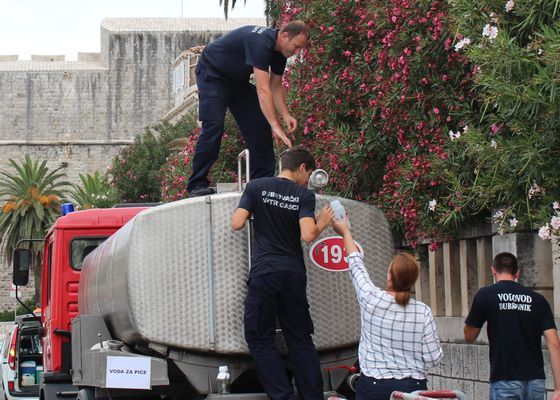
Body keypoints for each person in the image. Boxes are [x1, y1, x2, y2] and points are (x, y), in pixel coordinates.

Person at [231, 146, 334, 400]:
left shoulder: (255, 187)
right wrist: (322, 221)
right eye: (308, 174)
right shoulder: (303, 196)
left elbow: (237, 223)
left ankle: (283, 395)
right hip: (293, 274)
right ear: (301, 168)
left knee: (259, 337)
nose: (308, 180)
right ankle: (312, 396)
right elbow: (308, 235)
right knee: (299, 338)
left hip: (264, 273)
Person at [187, 21, 310, 197]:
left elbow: (275, 87)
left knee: (260, 124)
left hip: (237, 82)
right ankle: (196, 184)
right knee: (213, 126)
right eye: (296, 46)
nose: (296, 52)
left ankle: (262, 182)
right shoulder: (260, 42)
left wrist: (285, 115)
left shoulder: (280, 53)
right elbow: (263, 89)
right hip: (212, 75)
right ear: (284, 36)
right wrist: (275, 125)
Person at [332, 216, 442, 399]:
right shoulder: (423, 312)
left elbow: (356, 263)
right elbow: (433, 358)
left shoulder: (371, 299)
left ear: (390, 276)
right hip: (413, 388)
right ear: (412, 281)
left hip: (374, 387)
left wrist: (345, 232)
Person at [464, 252, 560, 400]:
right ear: (517, 273)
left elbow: (469, 336)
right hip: (535, 381)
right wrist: (558, 389)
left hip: (504, 379)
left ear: (493, 271)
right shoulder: (538, 300)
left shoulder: (485, 295)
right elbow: (554, 343)